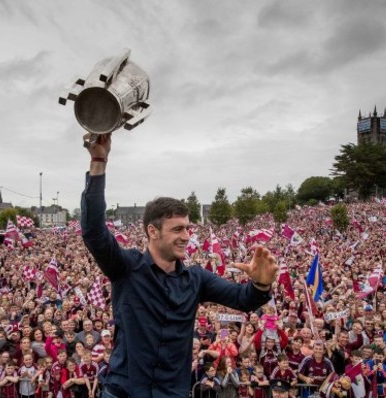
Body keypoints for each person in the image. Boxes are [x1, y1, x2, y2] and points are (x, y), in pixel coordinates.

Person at [81, 133, 278, 398]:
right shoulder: (126, 267)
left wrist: (261, 283)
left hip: (171, 392)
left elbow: (243, 299)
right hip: (124, 390)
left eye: (188, 228)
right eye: (178, 229)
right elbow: (93, 231)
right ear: (153, 231)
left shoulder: (197, 278)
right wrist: (98, 162)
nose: (187, 236)